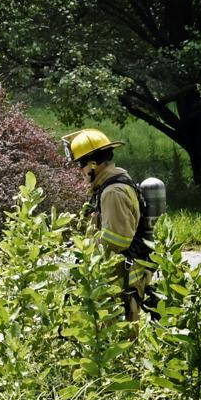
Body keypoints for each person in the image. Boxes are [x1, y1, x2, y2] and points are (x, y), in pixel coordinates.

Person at [62, 128, 152, 321]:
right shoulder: (106, 187)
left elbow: (117, 241)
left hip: (120, 281)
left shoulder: (112, 192)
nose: (80, 171)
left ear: (93, 164)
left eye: (81, 164)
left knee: (118, 337)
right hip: (115, 278)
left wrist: (86, 251)